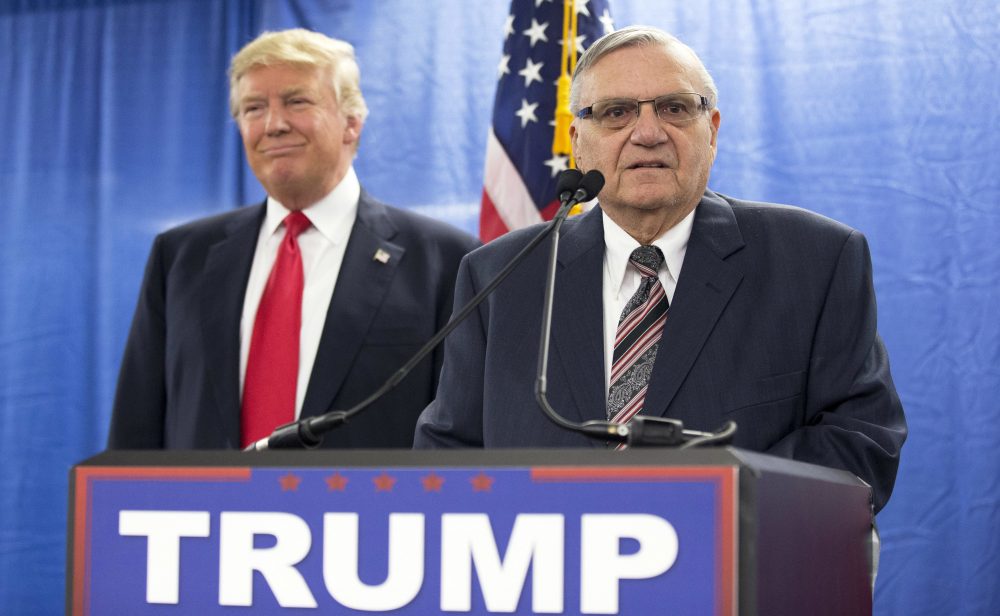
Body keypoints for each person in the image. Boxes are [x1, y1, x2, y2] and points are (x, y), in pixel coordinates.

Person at [415, 26, 906, 513]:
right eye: (616, 112)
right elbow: (448, 456)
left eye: (673, 108)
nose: (647, 134)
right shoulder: (501, 276)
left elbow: (860, 440)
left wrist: (693, 515)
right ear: (578, 141)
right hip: (546, 579)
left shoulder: (814, 261)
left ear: (711, 130)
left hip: (739, 573)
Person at [108, 29, 479, 450]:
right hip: (203, 513)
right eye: (253, 108)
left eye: (296, 101)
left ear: (352, 122)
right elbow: (135, 432)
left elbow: (460, 435)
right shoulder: (180, 257)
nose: (274, 124)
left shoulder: (445, 260)